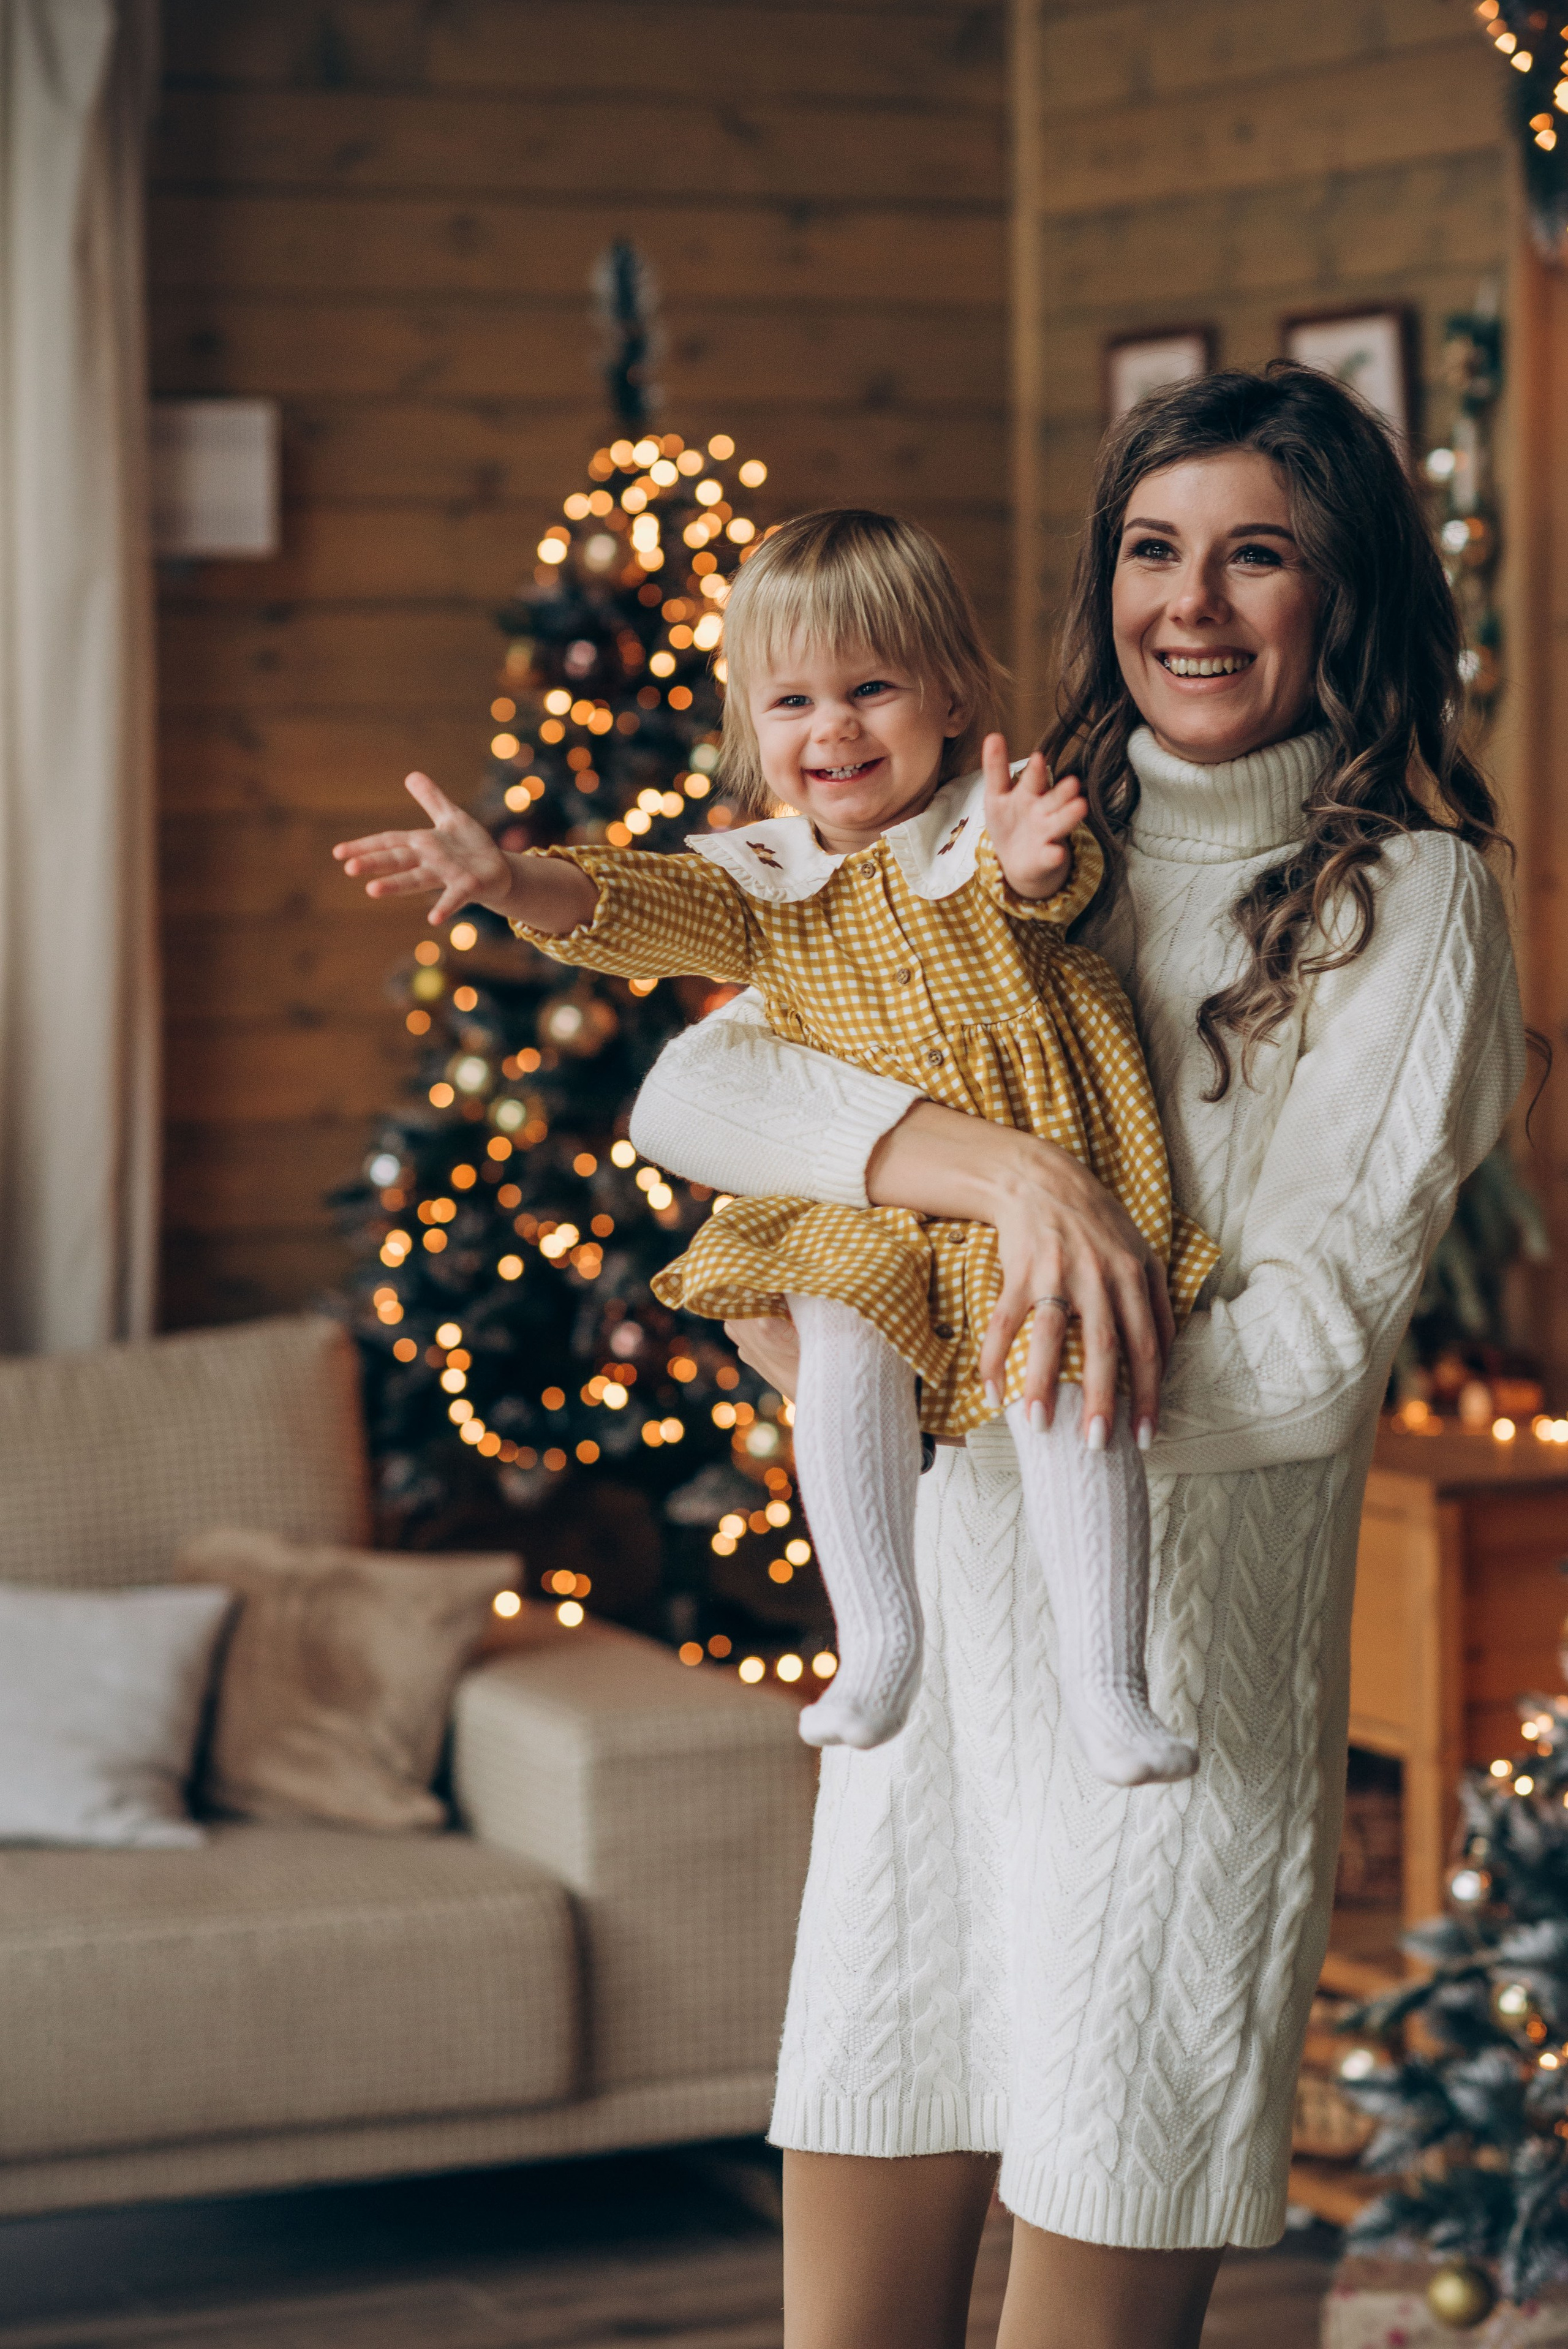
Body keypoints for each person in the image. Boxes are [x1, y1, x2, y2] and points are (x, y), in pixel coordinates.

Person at [625, 366, 1528, 2349]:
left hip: (1171, 1740)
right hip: (937, 1712)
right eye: (1151, 549)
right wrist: (1008, 1174)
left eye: (1256, 555)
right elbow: (696, 1088)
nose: (1189, 603)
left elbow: (1301, 1359)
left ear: (1345, 594)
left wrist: (934, 1332)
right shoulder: (1002, 834)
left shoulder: (1416, 903)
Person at [333, 507, 1218, 1785]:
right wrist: (515, 882)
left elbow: (1042, 889)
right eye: (793, 701)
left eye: (871, 690)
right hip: (863, 1203)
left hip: (1016, 1195)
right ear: (752, 726)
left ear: (951, 695)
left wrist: (1031, 864)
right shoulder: (763, 879)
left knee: (1061, 1385)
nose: (833, 729)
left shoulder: (981, 825)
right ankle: (877, 1639)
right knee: (842, 1337)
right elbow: (628, 900)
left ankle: (1109, 1687)